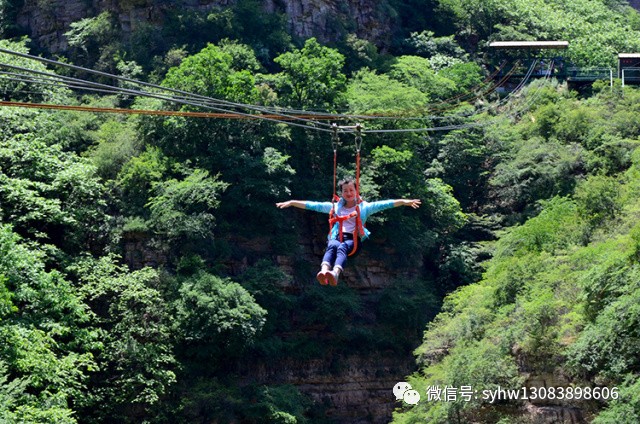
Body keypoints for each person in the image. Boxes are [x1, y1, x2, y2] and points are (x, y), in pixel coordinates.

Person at [276, 177, 421, 286]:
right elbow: (314, 205)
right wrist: (293, 202)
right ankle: (324, 270)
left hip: (353, 241)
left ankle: (335, 273)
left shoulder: (365, 207)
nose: (348, 193)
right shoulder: (335, 207)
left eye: (351, 190)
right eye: (345, 191)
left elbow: (385, 204)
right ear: (342, 193)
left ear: (356, 191)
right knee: (332, 245)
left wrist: (403, 201)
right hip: (337, 236)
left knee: (342, 247)